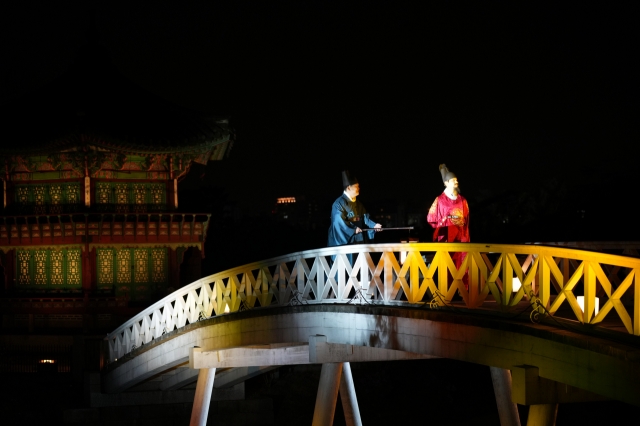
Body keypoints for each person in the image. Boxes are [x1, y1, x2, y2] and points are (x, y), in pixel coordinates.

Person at [427, 164, 470, 287]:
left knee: (462, 263)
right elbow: (431, 218)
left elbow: (466, 220)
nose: (456, 182)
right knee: (447, 265)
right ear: (446, 183)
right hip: (446, 238)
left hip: (461, 238)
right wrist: (445, 220)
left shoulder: (462, 200)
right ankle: (447, 291)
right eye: (453, 180)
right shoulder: (440, 200)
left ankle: (463, 291)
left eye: (456, 180)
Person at [327, 171, 382, 252]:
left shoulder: (358, 204)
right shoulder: (338, 204)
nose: (359, 188)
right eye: (357, 186)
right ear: (349, 188)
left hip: (359, 242)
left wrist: (374, 225)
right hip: (345, 244)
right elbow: (338, 222)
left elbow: (365, 218)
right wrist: (353, 229)